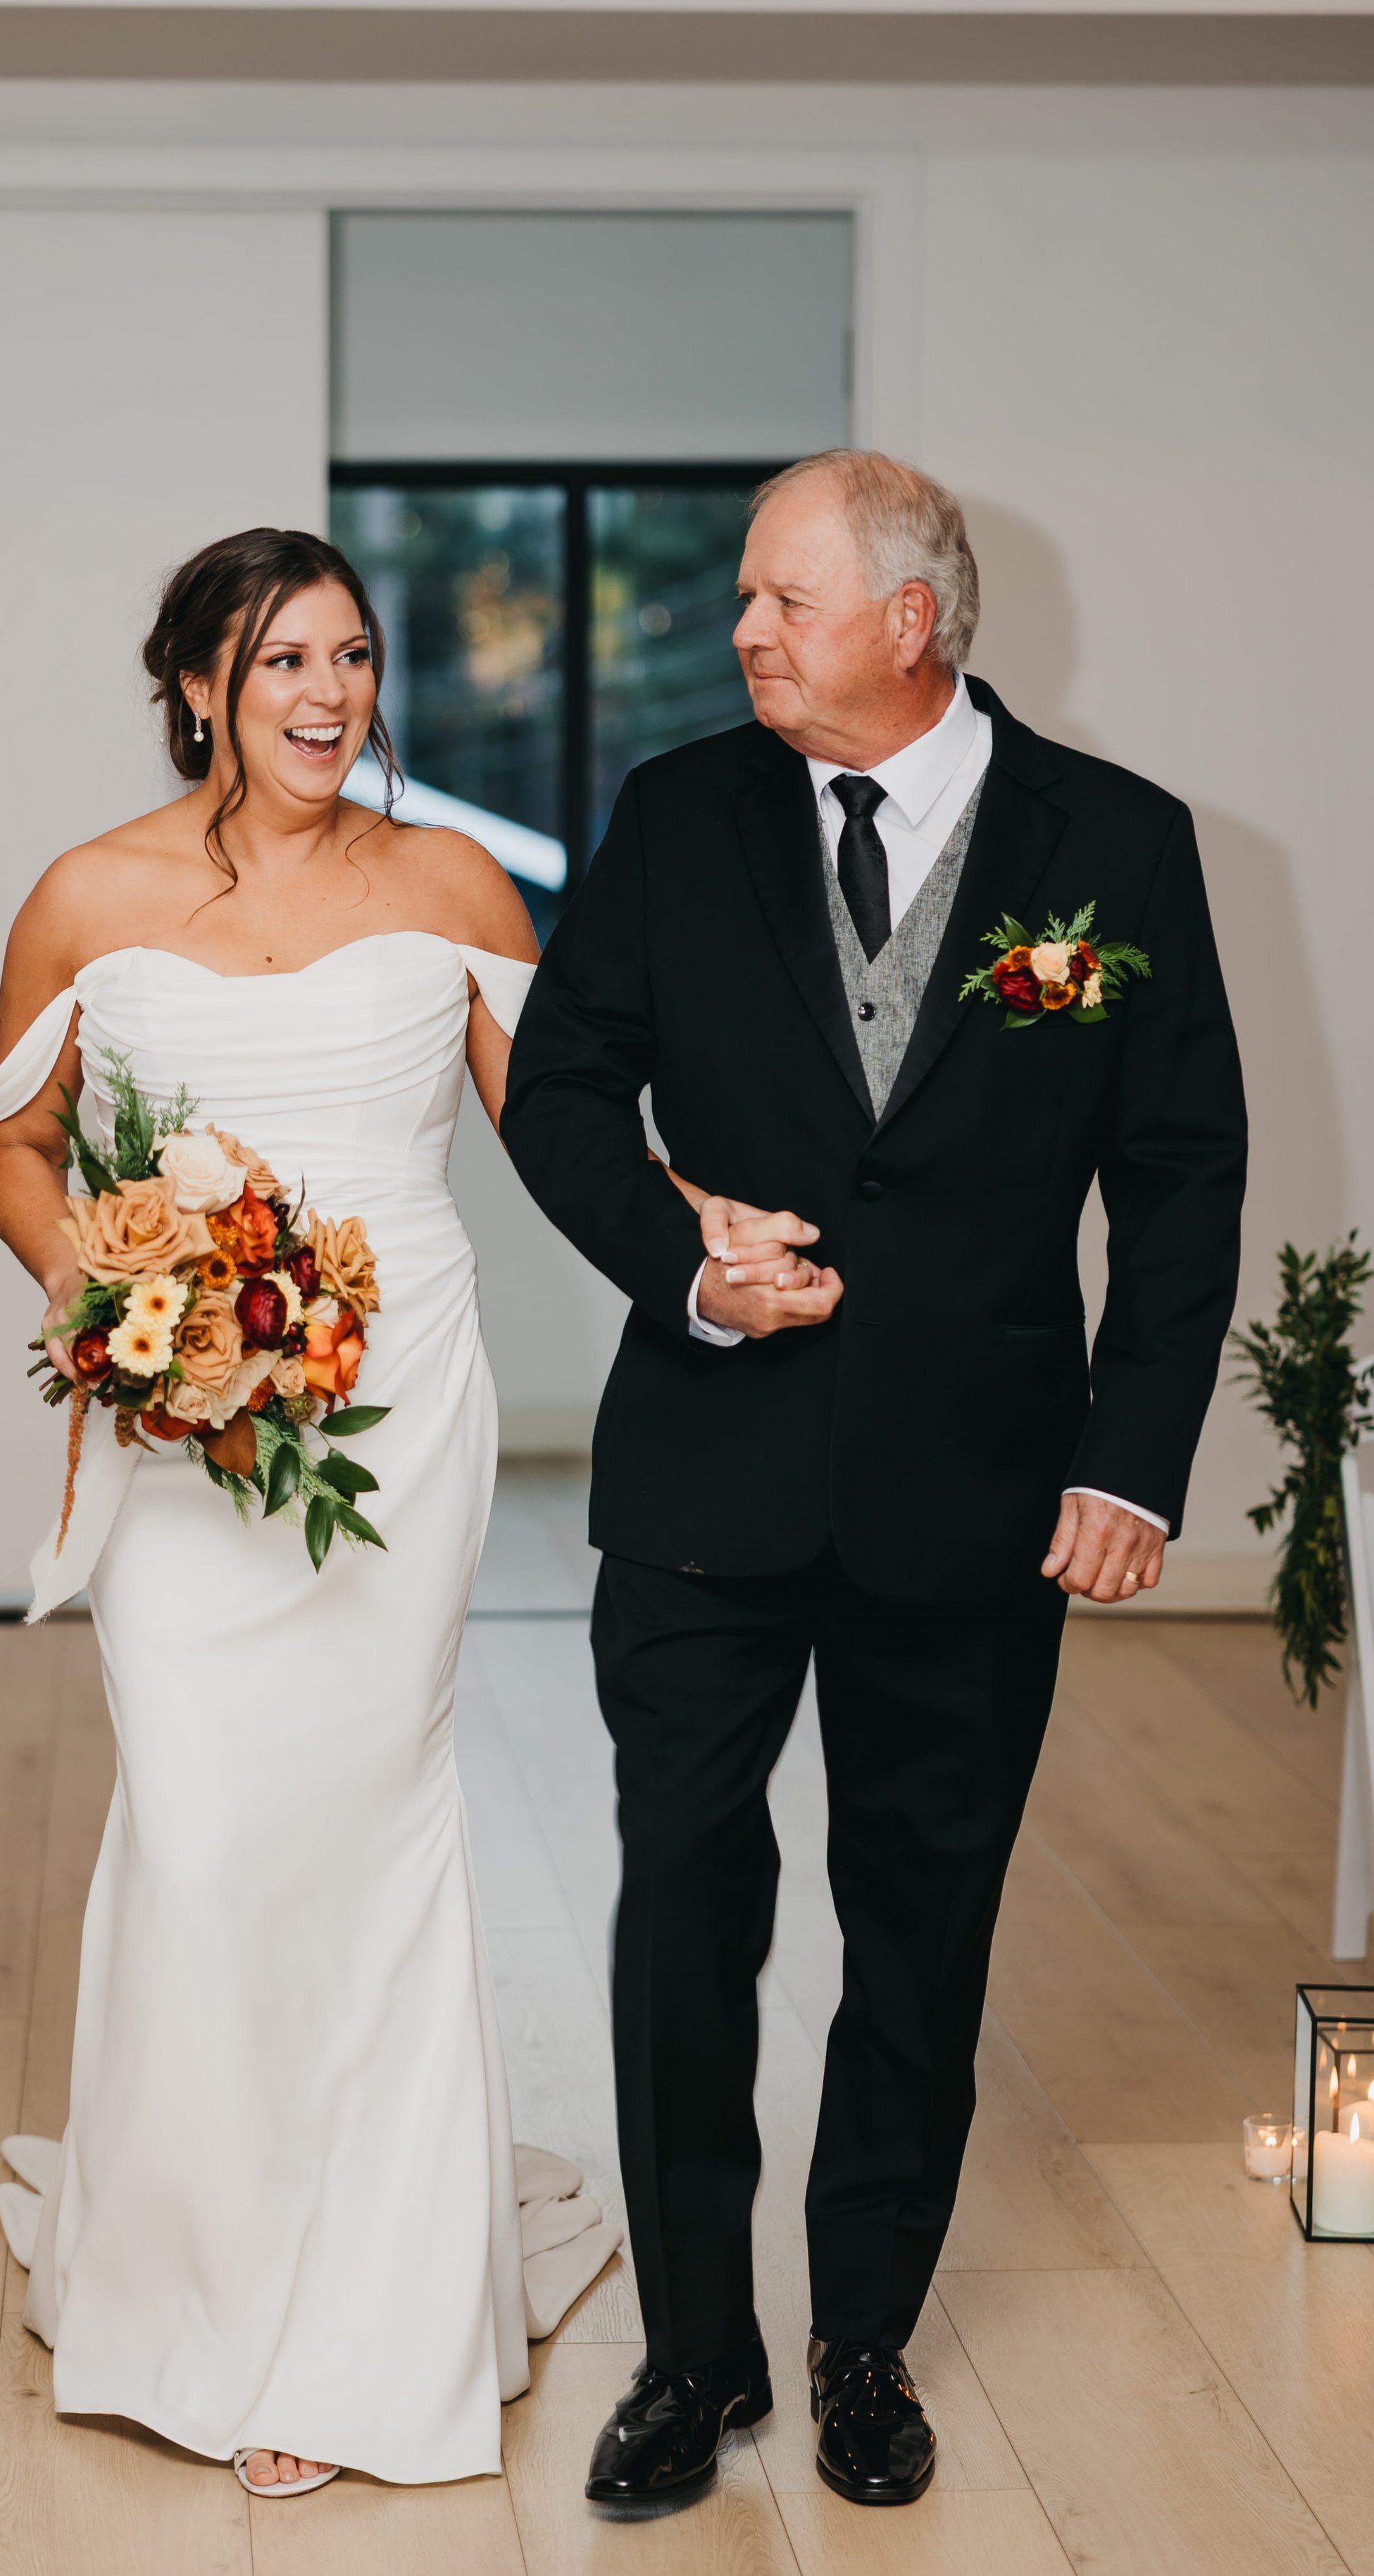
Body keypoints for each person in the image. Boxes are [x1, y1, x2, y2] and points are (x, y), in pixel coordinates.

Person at [501, 450, 1247, 2510]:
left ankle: (858, 2347)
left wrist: (1136, 1463)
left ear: (910, 621)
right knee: (681, 1919)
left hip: (982, 1489)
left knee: (917, 1931)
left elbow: (1181, 1182)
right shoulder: (674, 816)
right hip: (702, 1471)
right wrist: (684, 1262)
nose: (736, 630)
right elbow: (560, 1086)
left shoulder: (1119, 844)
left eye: (776, 599)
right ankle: (688, 2356)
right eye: (741, 601)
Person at [0, 528, 616, 2496]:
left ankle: (360, 2319)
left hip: (398, 1422)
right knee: (208, 1825)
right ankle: (191, 2274)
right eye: (277, 665)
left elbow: (559, 1123)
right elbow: (14, 1147)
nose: (325, 696)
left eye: (349, 657)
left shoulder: (450, 883)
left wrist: (703, 1237)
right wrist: (124, 1314)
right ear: (197, 691)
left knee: (370, 1827)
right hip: (178, 1434)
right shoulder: (88, 893)